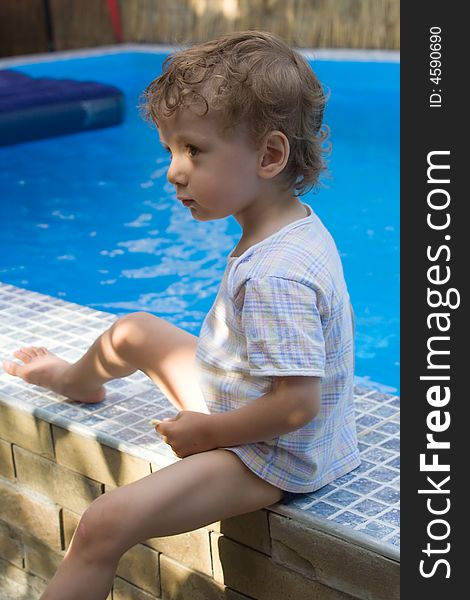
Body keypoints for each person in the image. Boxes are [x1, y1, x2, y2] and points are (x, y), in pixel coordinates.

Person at [2, 30, 360, 600]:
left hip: (269, 455)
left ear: (269, 155)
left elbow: (296, 405)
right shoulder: (289, 226)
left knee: (103, 524)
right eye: (170, 150)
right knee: (134, 332)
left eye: (194, 150)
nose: (174, 171)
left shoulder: (276, 275)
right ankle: (73, 379)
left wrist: (208, 433)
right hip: (242, 406)